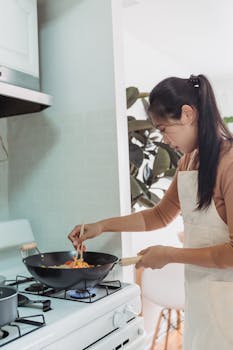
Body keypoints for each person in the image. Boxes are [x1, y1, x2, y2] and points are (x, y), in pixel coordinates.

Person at [68, 74, 233, 349]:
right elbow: (159, 215)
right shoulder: (189, 162)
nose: (165, 140)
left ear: (188, 114)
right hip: (203, 300)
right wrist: (101, 226)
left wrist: (170, 255)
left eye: (164, 128)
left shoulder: (228, 163)